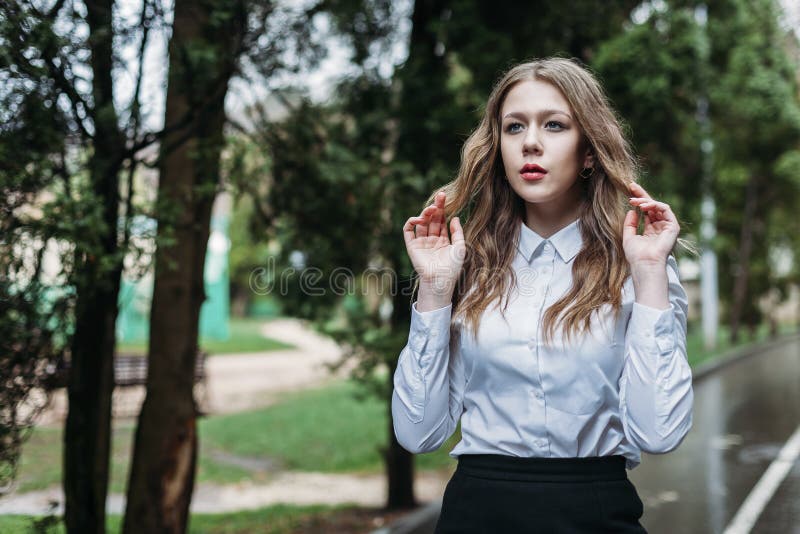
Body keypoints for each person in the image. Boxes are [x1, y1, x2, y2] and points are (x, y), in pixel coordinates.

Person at [392, 57, 694, 533]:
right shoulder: (461, 265)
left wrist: (651, 272)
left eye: (554, 124)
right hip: (476, 513)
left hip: (596, 512)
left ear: (589, 151)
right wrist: (433, 289)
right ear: (499, 148)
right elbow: (418, 432)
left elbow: (659, 433)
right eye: (514, 127)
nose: (531, 141)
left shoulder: (640, 264)